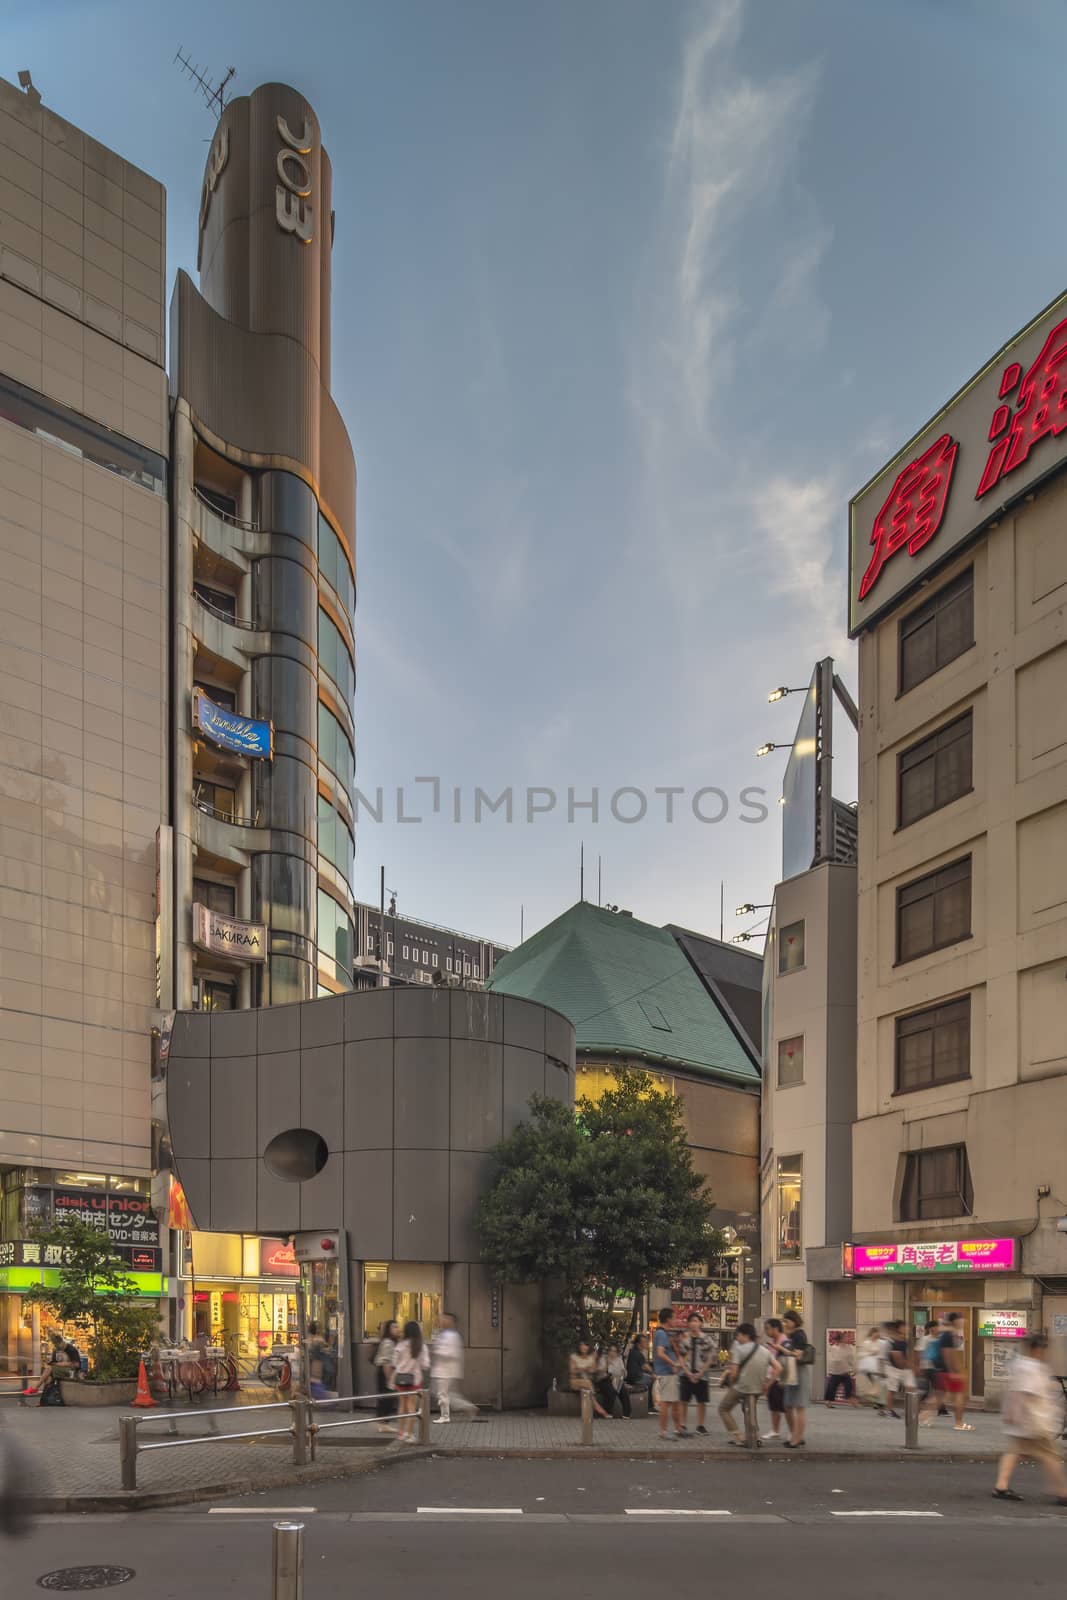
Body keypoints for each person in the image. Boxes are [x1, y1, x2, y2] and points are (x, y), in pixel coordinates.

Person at [993, 1333, 1067, 1504]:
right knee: (1051, 1455)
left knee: (1014, 1451)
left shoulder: (1021, 1364)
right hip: (1034, 1421)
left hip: (1025, 1422)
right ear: (1037, 1349)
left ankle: (1001, 1486)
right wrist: (1017, 1415)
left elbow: (1016, 1392)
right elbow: (1023, 1394)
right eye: (1044, 1349)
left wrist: (1012, 1414)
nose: (1046, 1353)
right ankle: (1062, 1491)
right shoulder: (1032, 1368)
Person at [719, 1322, 777, 1446]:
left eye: (738, 1335)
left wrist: (731, 1385)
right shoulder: (765, 1351)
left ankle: (738, 1437)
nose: (737, 1338)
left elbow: (733, 1373)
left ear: (744, 1335)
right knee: (750, 1411)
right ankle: (755, 1437)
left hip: (741, 1388)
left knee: (723, 1409)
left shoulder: (739, 1349)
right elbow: (778, 1368)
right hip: (757, 1388)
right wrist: (768, 1384)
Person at [920, 1311, 973, 1430]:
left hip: (941, 1370)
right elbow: (948, 1354)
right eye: (961, 1319)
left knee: (939, 1397)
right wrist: (954, 1371)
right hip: (947, 1371)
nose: (963, 1321)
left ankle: (923, 1417)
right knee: (959, 1395)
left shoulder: (946, 1334)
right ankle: (959, 1423)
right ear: (955, 1321)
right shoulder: (949, 1335)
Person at [430, 1312, 478, 1424]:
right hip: (442, 1370)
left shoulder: (452, 1336)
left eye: (444, 1319)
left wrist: (437, 1351)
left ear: (451, 1321)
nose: (441, 1321)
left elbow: (452, 1353)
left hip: (446, 1371)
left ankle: (445, 1416)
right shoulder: (444, 1334)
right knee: (447, 1394)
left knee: (443, 1394)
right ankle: (468, 1407)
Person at [652, 1309, 688, 1440]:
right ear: (668, 1319)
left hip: (669, 1373)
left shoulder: (664, 1333)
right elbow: (660, 1353)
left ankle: (678, 1429)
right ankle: (663, 1431)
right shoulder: (661, 1334)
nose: (675, 1321)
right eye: (673, 1318)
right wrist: (674, 1364)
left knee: (675, 1403)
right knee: (666, 1403)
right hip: (666, 1373)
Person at [392, 1320, 431, 1442]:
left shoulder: (400, 1345)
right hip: (415, 1380)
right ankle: (409, 1434)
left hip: (400, 1379)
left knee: (402, 1406)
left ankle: (401, 1433)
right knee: (411, 1407)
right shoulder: (421, 1346)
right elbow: (425, 1365)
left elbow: (394, 1362)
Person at [781, 1310, 814, 1447]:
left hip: (799, 1372)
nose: (785, 1324)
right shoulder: (790, 1335)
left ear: (794, 1321)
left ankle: (797, 1439)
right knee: (788, 1406)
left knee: (799, 1407)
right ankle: (795, 1435)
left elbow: (798, 1355)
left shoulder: (799, 1335)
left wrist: (782, 1349)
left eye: (787, 1321)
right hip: (791, 1371)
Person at [680, 1314, 715, 1435]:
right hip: (686, 1374)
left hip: (702, 1375)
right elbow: (681, 1357)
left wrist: (701, 1373)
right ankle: (682, 1425)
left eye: (697, 1321)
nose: (694, 1323)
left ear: (701, 1323)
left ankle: (700, 1426)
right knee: (684, 1400)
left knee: (702, 1401)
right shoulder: (685, 1340)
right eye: (692, 1321)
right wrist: (687, 1372)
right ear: (688, 1324)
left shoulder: (707, 1339)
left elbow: (710, 1358)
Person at [569, 1339, 612, 1419]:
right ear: (579, 1347)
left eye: (585, 1346)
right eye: (581, 1346)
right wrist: (585, 1368)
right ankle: (601, 1411)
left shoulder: (591, 1358)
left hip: (587, 1383)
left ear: (588, 1348)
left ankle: (594, 1413)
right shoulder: (574, 1357)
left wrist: (581, 1368)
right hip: (575, 1381)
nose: (583, 1348)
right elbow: (572, 1371)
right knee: (588, 1384)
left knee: (586, 1391)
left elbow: (593, 1370)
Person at [761, 1317, 788, 1441]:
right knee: (775, 1407)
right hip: (774, 1378)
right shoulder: (773, 1342)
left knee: (786, 1407)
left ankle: (792, 1433)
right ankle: (775, 1430)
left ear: (775, 1328)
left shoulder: (783, 1342)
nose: (766, 1331)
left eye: (767, 1328)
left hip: (781, 1379)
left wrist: (769, 1381)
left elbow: (781, 1364)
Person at [38, 1331, 81, 1405]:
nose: (57, 1347)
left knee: (49, 1369)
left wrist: (62, 1364)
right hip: (58, 1370)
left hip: (70, 1371)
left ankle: (36, 1387)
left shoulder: (71, 1349)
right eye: (55, 1346)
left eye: (58, 1345)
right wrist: (51, 1363)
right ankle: (44, 1401)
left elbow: (77, 1365)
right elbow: (54, 1362)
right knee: (48, 1377)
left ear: (62, 1342)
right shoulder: (56, 1350)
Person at [374, 1319, 400, 1435]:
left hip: (386, 1372)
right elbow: (386, 1363)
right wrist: (389, 1379)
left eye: (397, 1327)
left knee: (386, 1398)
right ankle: (383, 1424)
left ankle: (384, 1423)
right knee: (387, 1397)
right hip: (385, 1372)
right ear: (389, 1330)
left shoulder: (391, 1342)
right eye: (395, 1327)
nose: (398, 1329)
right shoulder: (388, 1343)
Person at [882, 1320, 913, 1419]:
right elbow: (896, 1358)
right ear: (899, 1328)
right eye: (905, 1326)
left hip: (904, 1368)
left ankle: (910, 1408)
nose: (907, 1328)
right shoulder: (892, 1340)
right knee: (892, 1390)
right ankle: (889, 1410)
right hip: (893, 1368)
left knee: (911, 1387)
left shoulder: (904, 1339)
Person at [306, 1320, 337, 1401]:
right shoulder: (318, 1339)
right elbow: (325, 1349)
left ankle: (316, 1397)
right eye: (318, 1328)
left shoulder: (309, 1338)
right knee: (322, 1378)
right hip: (318, 1364)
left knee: (315, 1381)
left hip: (313, 1364)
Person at [824, 1333, 858, 1407]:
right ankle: (828, 1402)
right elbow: (832, 1360)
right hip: (835, 1372)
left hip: (845, 1371)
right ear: (840, 1339)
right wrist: (830, 1370)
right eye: (844, 1338)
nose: (846, 1339)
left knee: (849, 1387)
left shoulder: (848, 1348)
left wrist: (854, 1369)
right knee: (831, 1388)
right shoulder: (833, 1348)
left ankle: (853, 1401)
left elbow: (851, 1359)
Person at [598, 1344, 631, 1419]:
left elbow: (623, 1372)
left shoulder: (619, 1359)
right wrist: (607, 1363)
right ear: (608, 1351)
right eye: (611, 1351)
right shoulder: (603, 1359)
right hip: (605, 1380)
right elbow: (600, 1372)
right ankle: (608, 1412)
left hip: (617, 1380)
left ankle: (626, 1413)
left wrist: (623, 1373)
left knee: (624, 1392)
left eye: (614, 1351)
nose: (612, 1353)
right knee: (611, 1392)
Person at [857, 1326, 886, 1409]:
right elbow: (861, 1354)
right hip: (869, 1367)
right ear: (871, 1334)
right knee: (878, 1383)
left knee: (879, 1384)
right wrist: (871, 1353)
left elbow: (885, 1352)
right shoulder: (866, 1343)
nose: (876, 1335)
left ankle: (877, 1401)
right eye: (875, 1334)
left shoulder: (882, 1343)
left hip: (880, 1366)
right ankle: (878, 1401)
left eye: (877, 1334)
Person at [625, 1333, 655, 1412]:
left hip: (633, 1376)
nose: (646, 1344)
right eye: (644, 1342)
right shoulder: (638, 1353)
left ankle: (649, 1404)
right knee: (651, 1380)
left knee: (649, 1378)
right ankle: (650, 1405)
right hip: (636, 1378)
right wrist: (654, 1374)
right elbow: (645, 1367)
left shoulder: (633, 1351)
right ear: (639, 1344)